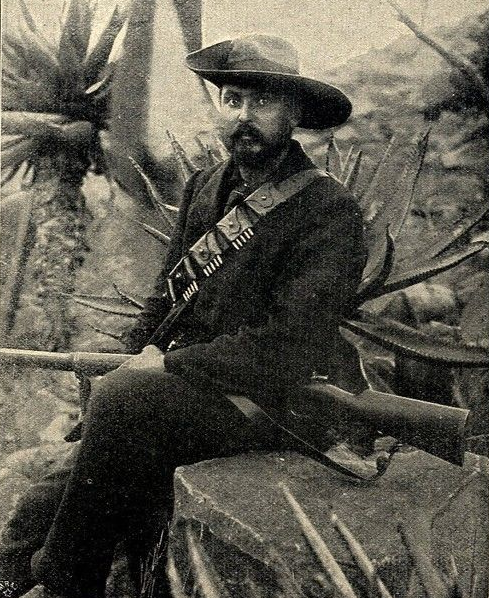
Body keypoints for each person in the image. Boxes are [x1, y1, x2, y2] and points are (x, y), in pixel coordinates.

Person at [0, 34, 367, 598]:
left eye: (263, 102)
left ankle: (69, 579)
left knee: (125, 401)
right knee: (38, 507)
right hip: (188, 391)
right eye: (233, 99)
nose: (244, 116)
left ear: (294, 114)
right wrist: (134, 353)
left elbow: (288, 347)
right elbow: (166, 298)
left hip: (271, 401)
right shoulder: (205, 186)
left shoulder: (328, 210)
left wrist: (163, 369)